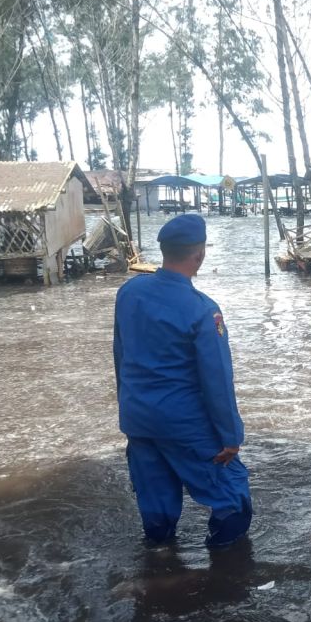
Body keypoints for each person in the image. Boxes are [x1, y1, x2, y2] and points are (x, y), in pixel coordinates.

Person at [113, 214, 252, 548]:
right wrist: (231, 436)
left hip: (138, 417)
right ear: (199, 255)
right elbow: (216, 379)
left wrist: (127, 406)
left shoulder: (129, 292)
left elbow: (120, 354)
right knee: (233, 498)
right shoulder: (202, 309)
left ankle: (160, 562)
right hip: (183, 421)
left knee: (155, 501)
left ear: (163, 250)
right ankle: (227, 571)